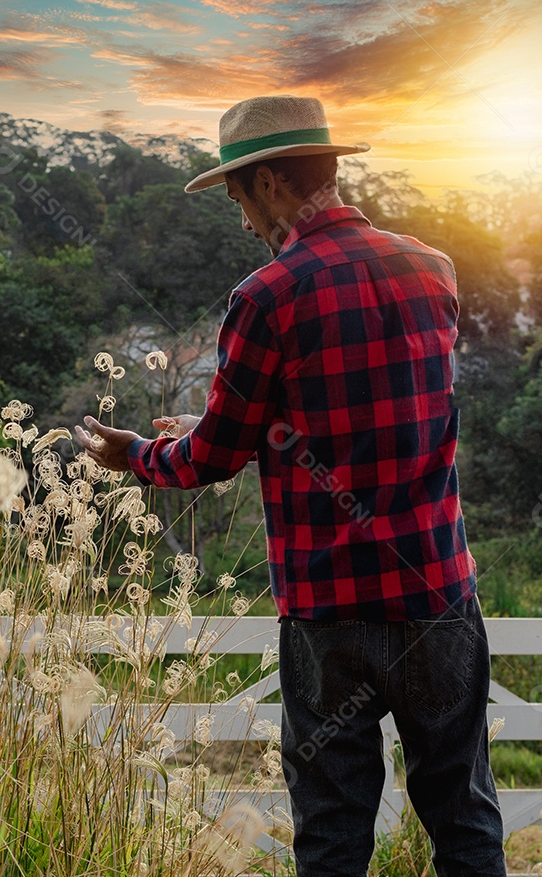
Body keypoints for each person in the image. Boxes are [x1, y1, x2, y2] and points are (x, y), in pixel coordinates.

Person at [75, 94, 507, 877]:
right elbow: (366, 415)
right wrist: (219, 428)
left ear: (270, 183)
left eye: (240, 197)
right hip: (436, 593)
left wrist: (138, 453)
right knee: (465, 817)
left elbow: (213, 458)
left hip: (328, 612)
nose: (242, 220)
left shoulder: (265, 295)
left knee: (333, 831)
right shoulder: (431, 269)